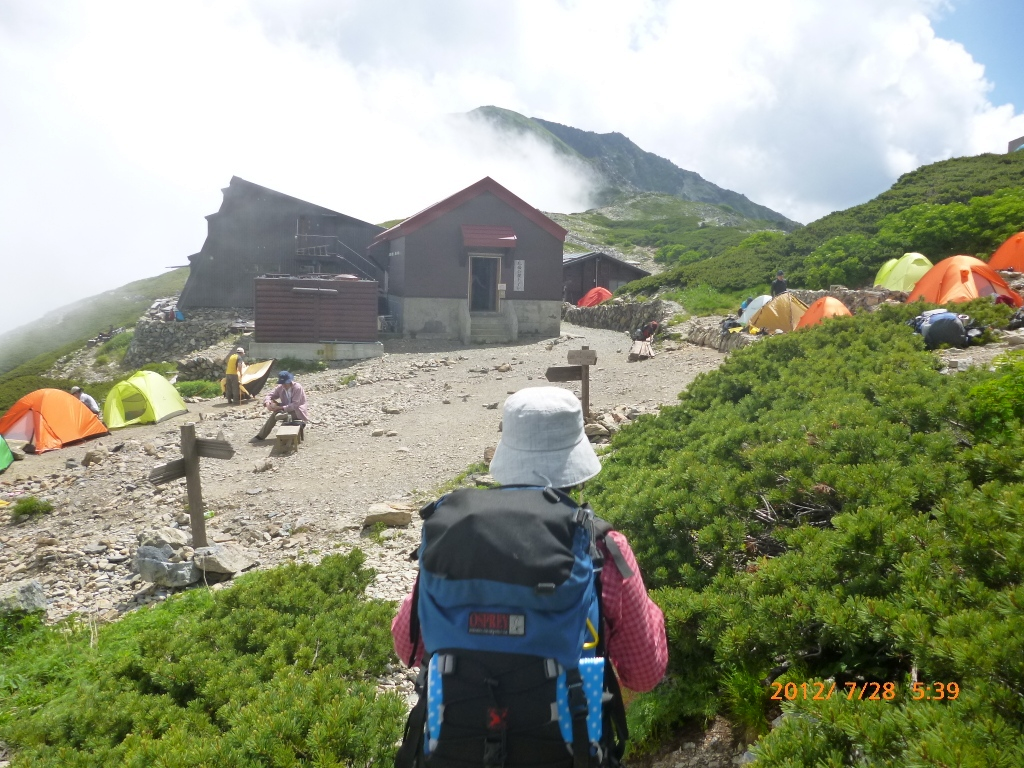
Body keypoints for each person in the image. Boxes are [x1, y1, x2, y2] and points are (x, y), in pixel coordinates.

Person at [392, 387, 667, 765]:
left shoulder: (451, 533)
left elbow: (408, 647)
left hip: (456, 752)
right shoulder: (599, 545)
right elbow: (645, 672)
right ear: (576, 463)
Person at [254, 371, 308, 440]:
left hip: (297, 411)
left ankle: (260, 436)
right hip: (286, 409)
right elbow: (269, 396)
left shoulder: (297, 388)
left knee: (275, 415)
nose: (284, 385)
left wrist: (281, 408)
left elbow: (295, 405)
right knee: (275, 411)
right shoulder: (280, 388)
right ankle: (284, 415)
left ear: (290, 381)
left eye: (285, 382)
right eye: (282, 383)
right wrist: (267, 402)